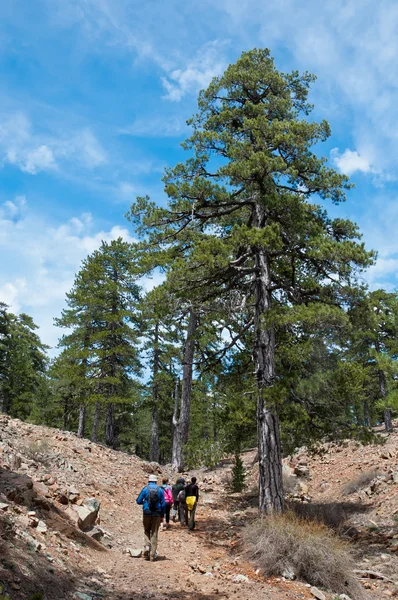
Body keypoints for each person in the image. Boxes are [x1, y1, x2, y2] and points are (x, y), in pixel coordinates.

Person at [136, 474, 165, 561]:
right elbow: (163, 504)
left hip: (147, 512)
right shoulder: (160, 490)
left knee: (146, 530)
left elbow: (138, 501)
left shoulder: (145, 489)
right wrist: (162, 515)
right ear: (156, 481)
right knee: (154, 532)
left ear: (148, 481)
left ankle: (147, 546)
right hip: (157, 513)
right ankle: (152, 555)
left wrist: (145, 502)